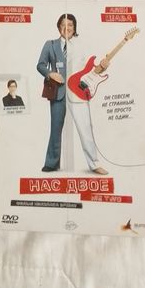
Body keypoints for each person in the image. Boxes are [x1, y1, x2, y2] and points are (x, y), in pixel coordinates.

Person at [37, 13, 108, 174]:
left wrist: (103, 66)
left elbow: (92, 68)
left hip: (78, 92)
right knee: (55, 128)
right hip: (58, 92)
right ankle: (52, 163)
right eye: (63, 25)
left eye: (70, 25)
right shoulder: (50, 44)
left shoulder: (82, 45)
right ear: (58, 27)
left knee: (85, 129)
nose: (66, 28)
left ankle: (95, 164)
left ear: (74, 28)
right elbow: (40, 65)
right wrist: (50, 74)